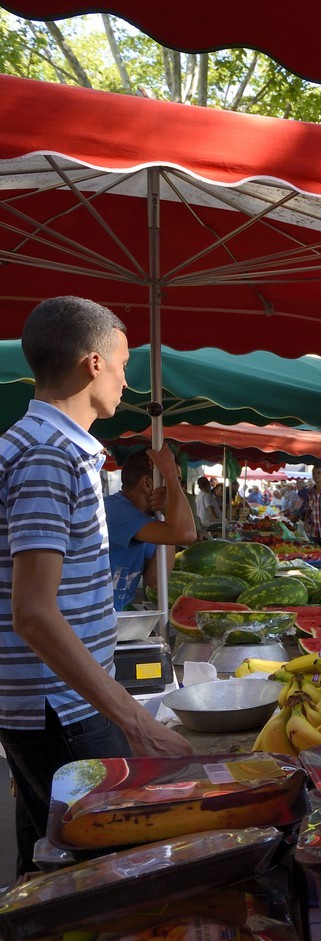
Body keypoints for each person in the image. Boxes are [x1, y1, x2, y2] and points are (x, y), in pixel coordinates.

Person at [0, 297, 191, 878]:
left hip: (54, 700)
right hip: (59, 705)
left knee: (51, 866)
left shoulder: (49, 448)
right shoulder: (48, 456)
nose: (127, 379)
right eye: (123, 363)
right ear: (92, 364)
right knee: (98, 873)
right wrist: (135, 719)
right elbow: (33, 613)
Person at [105, 446, 197, 610]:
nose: (179, 488)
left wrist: (168, 514)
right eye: (174, 481)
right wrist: (169, 473)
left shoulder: (148, 521)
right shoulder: (115, 510)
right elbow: (187, 534)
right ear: (147, 483)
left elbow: (156, 580)